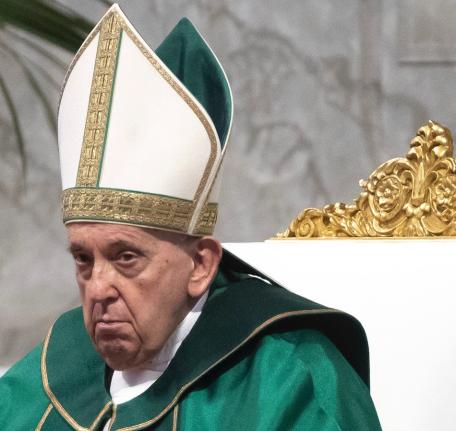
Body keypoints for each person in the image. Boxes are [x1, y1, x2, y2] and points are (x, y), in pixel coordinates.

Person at [0, 5, 381, 430]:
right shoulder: (47, 372)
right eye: (83, 260)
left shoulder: (291, 379)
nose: (98, 289)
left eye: (126, 257)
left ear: (201, 265)